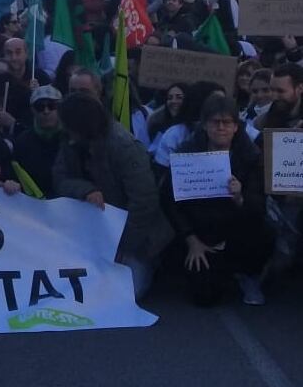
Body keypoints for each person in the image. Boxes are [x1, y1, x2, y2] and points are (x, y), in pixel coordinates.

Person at [53, 95, 173, 299]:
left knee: (126, 294)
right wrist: (85, 190)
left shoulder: (123, 146)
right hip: (91, 231)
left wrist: (123, 245)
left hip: (135, 237)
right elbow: (59, 178)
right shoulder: (70, 142)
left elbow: (144, 202)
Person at [162, 94, 273, 306]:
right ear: (204, 125)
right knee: (205, 298)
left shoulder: (250, 156)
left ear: (236, 127)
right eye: (215, 122)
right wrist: (191, 240)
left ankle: (248, 274)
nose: (221, 127)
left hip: (237, 230)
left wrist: (240, 197)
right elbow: (169, 201)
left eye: (227, 122)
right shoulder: (186, 153)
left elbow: (259, 207)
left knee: (265, 235)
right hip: (200, 233)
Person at [12, 85, 63, 197]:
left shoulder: (72, 139)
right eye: (40, 106)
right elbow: (15, 176)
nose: (46, 111)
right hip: (33, 209)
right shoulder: (22, 142)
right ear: (32, 110)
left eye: (52, 106)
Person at [255, 63, 303, 132]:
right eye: (272, 90)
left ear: (300, 89)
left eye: (280, 91)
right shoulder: (261, 123)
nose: (274, 97)